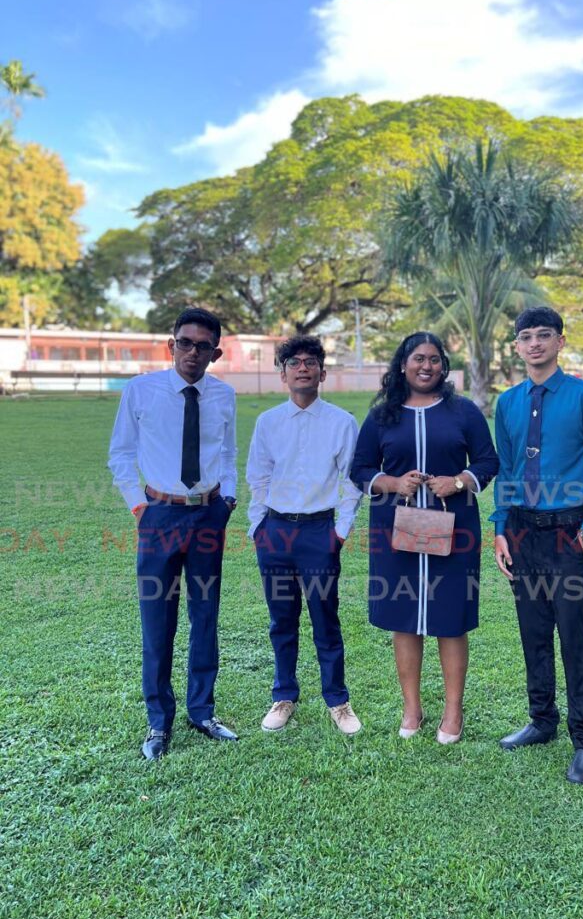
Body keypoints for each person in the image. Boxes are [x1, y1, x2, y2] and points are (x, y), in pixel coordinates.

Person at [492, 307, 583, 784]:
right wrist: (500, 527)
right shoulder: (508, 403)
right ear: (518, 347)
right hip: (522, 531)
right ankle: (542, 720)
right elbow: (506, 471)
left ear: (560, 342)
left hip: (569, 532)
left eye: (544, 335)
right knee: (533, 630)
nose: (535, 344)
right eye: (526, 337)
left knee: (573, 633)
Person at [351, 332, 499, 744]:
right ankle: (411, 708)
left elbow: (488, 460)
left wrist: (459, 480)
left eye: (434, 359)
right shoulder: (383, 415)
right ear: (403, 364)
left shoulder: (463, 412)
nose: (426, 366)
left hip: (455, 529)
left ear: (443, 366)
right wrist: (392, 482)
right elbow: (360, 467)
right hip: (396, 530)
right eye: (418, 358)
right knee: (405, 620)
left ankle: (454, 711)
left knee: (450, 620)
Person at [108, 307, 238, 761]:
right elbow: (121, 453)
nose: (193, 352)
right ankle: (158, 722)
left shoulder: (224, 395)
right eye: (185, 342)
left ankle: (202, 712)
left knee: (205, 617)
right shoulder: (141, 391)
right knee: (157, 621)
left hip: (207, 518)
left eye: (204, 346)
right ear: (171, 345)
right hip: (159, 517)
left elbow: (229, 453)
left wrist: (229, 501)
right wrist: (139, 508)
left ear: (215, 353)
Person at [246, 336, 363, 736]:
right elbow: (258, 477)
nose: (302, 368)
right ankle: (284, 696)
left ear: (322, 372)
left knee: (325, 619)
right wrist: (258, 527)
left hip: (319, 532)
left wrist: (340, 531)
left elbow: (353, 480)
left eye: (310, 362)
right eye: (293, 362)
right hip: (275, 532)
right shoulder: (268, 423)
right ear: (282, 374)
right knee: (282, 620)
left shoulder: (342, 423)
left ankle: (338, 701)